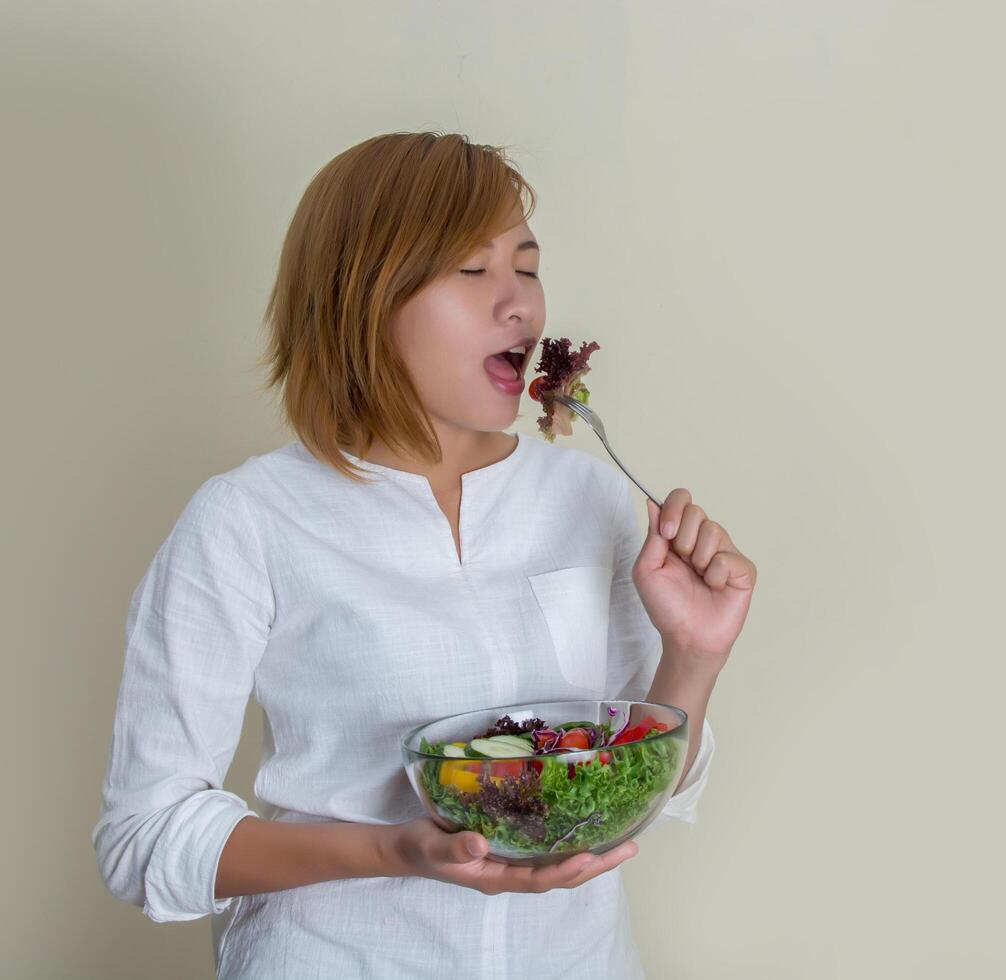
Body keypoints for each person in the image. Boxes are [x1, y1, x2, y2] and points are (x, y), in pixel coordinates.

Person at [91, 132, 757, 979]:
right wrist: (394, 851)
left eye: (527, 265)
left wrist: (694, 657)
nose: (520, 306)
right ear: (362, 298)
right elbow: (143, 836)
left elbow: (628, 794)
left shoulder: (589, 501)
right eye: (473, 272)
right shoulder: (248, 521)